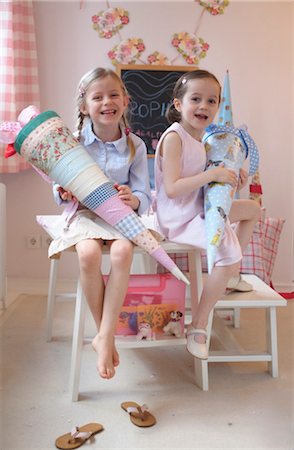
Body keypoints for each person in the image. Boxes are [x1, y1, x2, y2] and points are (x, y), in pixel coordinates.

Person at [49, 67, 152, 379]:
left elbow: (144, 194)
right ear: (85, 106)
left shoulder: (136, 146)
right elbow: (58, 188)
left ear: (125, 100)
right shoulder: (74, 142)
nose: (107, 102)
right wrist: (64, 192)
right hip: (84, 216)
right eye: (98, 97)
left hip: (119, 218)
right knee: (88, 254)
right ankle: (104, 334)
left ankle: (104, 337)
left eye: (113, 94)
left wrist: (132, 199)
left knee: (122, 254)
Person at [154, 69, 260, 359]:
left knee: (252, 209)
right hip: (178, 216)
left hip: (197, 207)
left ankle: (231, 275)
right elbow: (173, 188)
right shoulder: (175, 138)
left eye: (211, 101)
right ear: (178, 104)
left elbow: (207, 173)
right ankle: (198, 325)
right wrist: (213, 174)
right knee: (226, 250)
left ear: (218, 105)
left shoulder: (201, 138)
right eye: (196, 99)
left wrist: (233, 172)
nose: (204, 106)